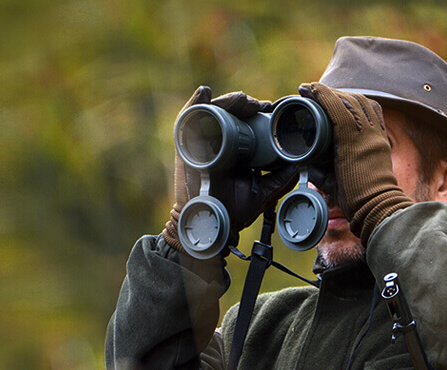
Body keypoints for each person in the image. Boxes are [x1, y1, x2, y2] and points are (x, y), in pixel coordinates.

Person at [105, 36, 447, 369]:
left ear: (442, 182)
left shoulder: (426, 329)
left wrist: (379, 206)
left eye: (371, 148)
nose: (336, 176)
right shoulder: (259, 334)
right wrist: (188, 240)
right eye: (328, 147)